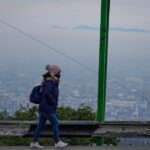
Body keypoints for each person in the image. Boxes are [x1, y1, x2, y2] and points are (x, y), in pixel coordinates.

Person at [30, 64, 68, 149]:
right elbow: (47, 93)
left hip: (43, 107)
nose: (60, 74)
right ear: (54, 72)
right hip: (48, 108)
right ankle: (57, 142)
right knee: (55, 123)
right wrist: (52, 101)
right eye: (58, 72)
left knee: (40, 125)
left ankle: (34, 142)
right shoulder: (50, 82)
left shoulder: (49, 81)